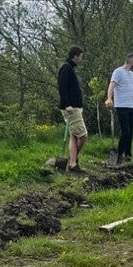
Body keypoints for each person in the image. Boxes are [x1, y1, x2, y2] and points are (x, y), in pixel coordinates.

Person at [104, 52, 133, 162]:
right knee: (125, 132)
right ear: (132, 61)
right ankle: (119, 154)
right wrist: (109, 98)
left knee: (130, 132)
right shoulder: (118, 72)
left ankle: (128, 155)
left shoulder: (131, 74)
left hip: (132, 106)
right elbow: (111, 86)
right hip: (122, 106)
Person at [57, 45, 88, 173]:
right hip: (71, 108)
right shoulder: (66, 67)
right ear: (75, 56)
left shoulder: (70, 68)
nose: (81, 59)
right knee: (83, 135)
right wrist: (67, 104)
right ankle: (73, 160)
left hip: (75, 107)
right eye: (80, 56)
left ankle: (73, 163)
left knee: (74, 136)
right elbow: (62, 86)